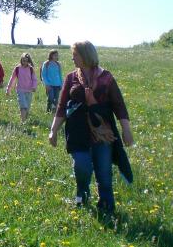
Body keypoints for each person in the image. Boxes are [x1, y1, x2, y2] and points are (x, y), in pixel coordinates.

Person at [48, 41, 134, 214]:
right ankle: (82, 195)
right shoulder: (71, 77)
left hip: (102, 133)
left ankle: (107, 208)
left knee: (104, 173)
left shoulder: (106, 77)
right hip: (77, 131)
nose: (72, 58)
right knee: (82, 166)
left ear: (86, 55)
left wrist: (126, 130)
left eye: (75, 54)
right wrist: (53, 130)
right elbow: (62, 106)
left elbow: (119, 105)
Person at [6, 53, 38, 122]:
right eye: (23, 60)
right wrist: (8, 89)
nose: (25, 62)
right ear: (21, 60)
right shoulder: (17, 68)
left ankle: (24, 119)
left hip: (29, 91)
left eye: (26, 61)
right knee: (23, 106)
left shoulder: (31, 69)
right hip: (20, 90)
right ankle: (23, 122)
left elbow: (34, 79)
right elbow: (12, 78)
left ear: (29, 61)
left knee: (27, 108)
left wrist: (34, 87)